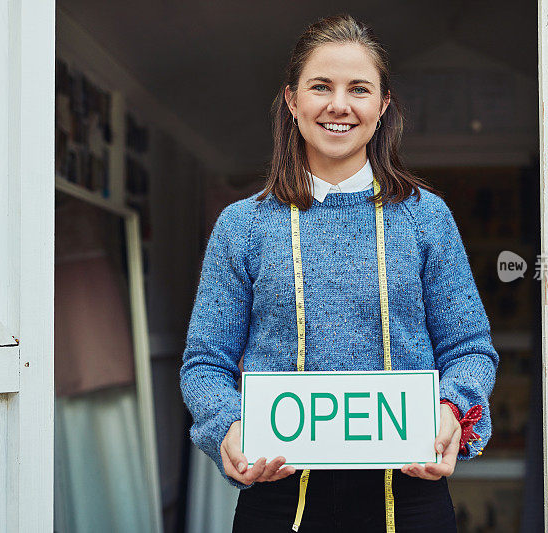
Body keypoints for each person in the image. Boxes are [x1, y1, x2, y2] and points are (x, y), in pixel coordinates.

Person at [180, 13, 499, 533]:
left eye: (359, 89)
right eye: (320, 87)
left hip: (410, 497)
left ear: (383, 105)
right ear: (292, 100)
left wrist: (450, 412)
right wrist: (229, 426)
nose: (339, 105)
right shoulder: (242, 225)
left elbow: (470, 350)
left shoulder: (426, 217)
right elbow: (204, 364)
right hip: (279, 498)